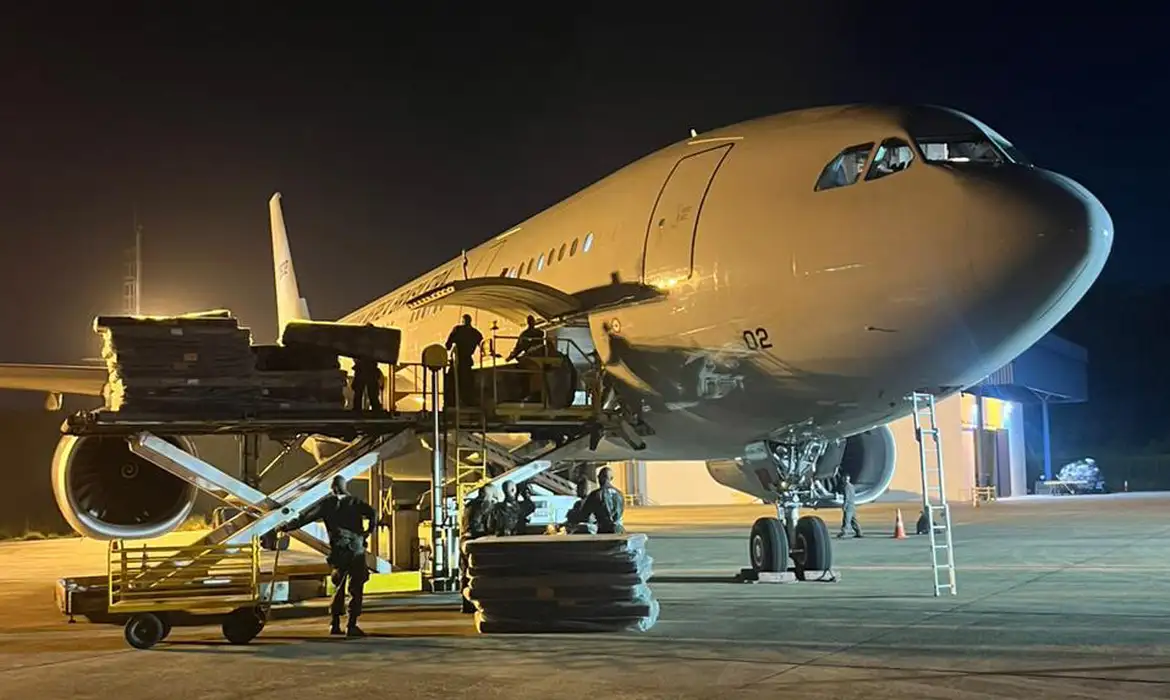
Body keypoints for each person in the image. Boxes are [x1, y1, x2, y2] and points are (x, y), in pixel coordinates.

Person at [277, 476, 375, 637]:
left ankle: (334, 623)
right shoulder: (356, 502)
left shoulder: (327, 504)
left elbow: (305, 518)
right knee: (356, 588)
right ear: (345, 487)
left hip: (339, 550)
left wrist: (287, 527)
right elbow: (373, 513)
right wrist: (367, 533)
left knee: (338, 587)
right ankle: (351, 625)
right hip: (356, 549)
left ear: (333, 489)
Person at [458, 484, 497, 613]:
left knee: (465, 573)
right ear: (488, 494)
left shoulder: (469, 506)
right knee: (479, 573)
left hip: (465, 540)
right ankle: (479, 603)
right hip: (477, 542)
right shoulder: (486, 506)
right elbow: (482, 526)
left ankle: (466, 604)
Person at [445, 314, 483, 405]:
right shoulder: (476, 333)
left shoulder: (457, 329)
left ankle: (453, 402)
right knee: (467, 384)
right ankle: (468, 402)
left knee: (452, 383)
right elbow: (482, 346)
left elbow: (448, 345)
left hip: (457, 362)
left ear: (463, 321)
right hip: (467, 362)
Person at [581, 466, 625, 534]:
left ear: (599, 478)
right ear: (611, 478)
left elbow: (584, 514)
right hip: (619, 530)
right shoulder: (620, 494)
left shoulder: (595, 494)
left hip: (604, 530)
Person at [836, 474, 863, 539]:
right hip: (852, 504)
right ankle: (859, 532)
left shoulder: (846, 487)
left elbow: (846, 497)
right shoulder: (852, 486)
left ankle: (844, 532)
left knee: (846, 519)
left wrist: (844, 505)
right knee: (853, 519)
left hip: (848, 505)